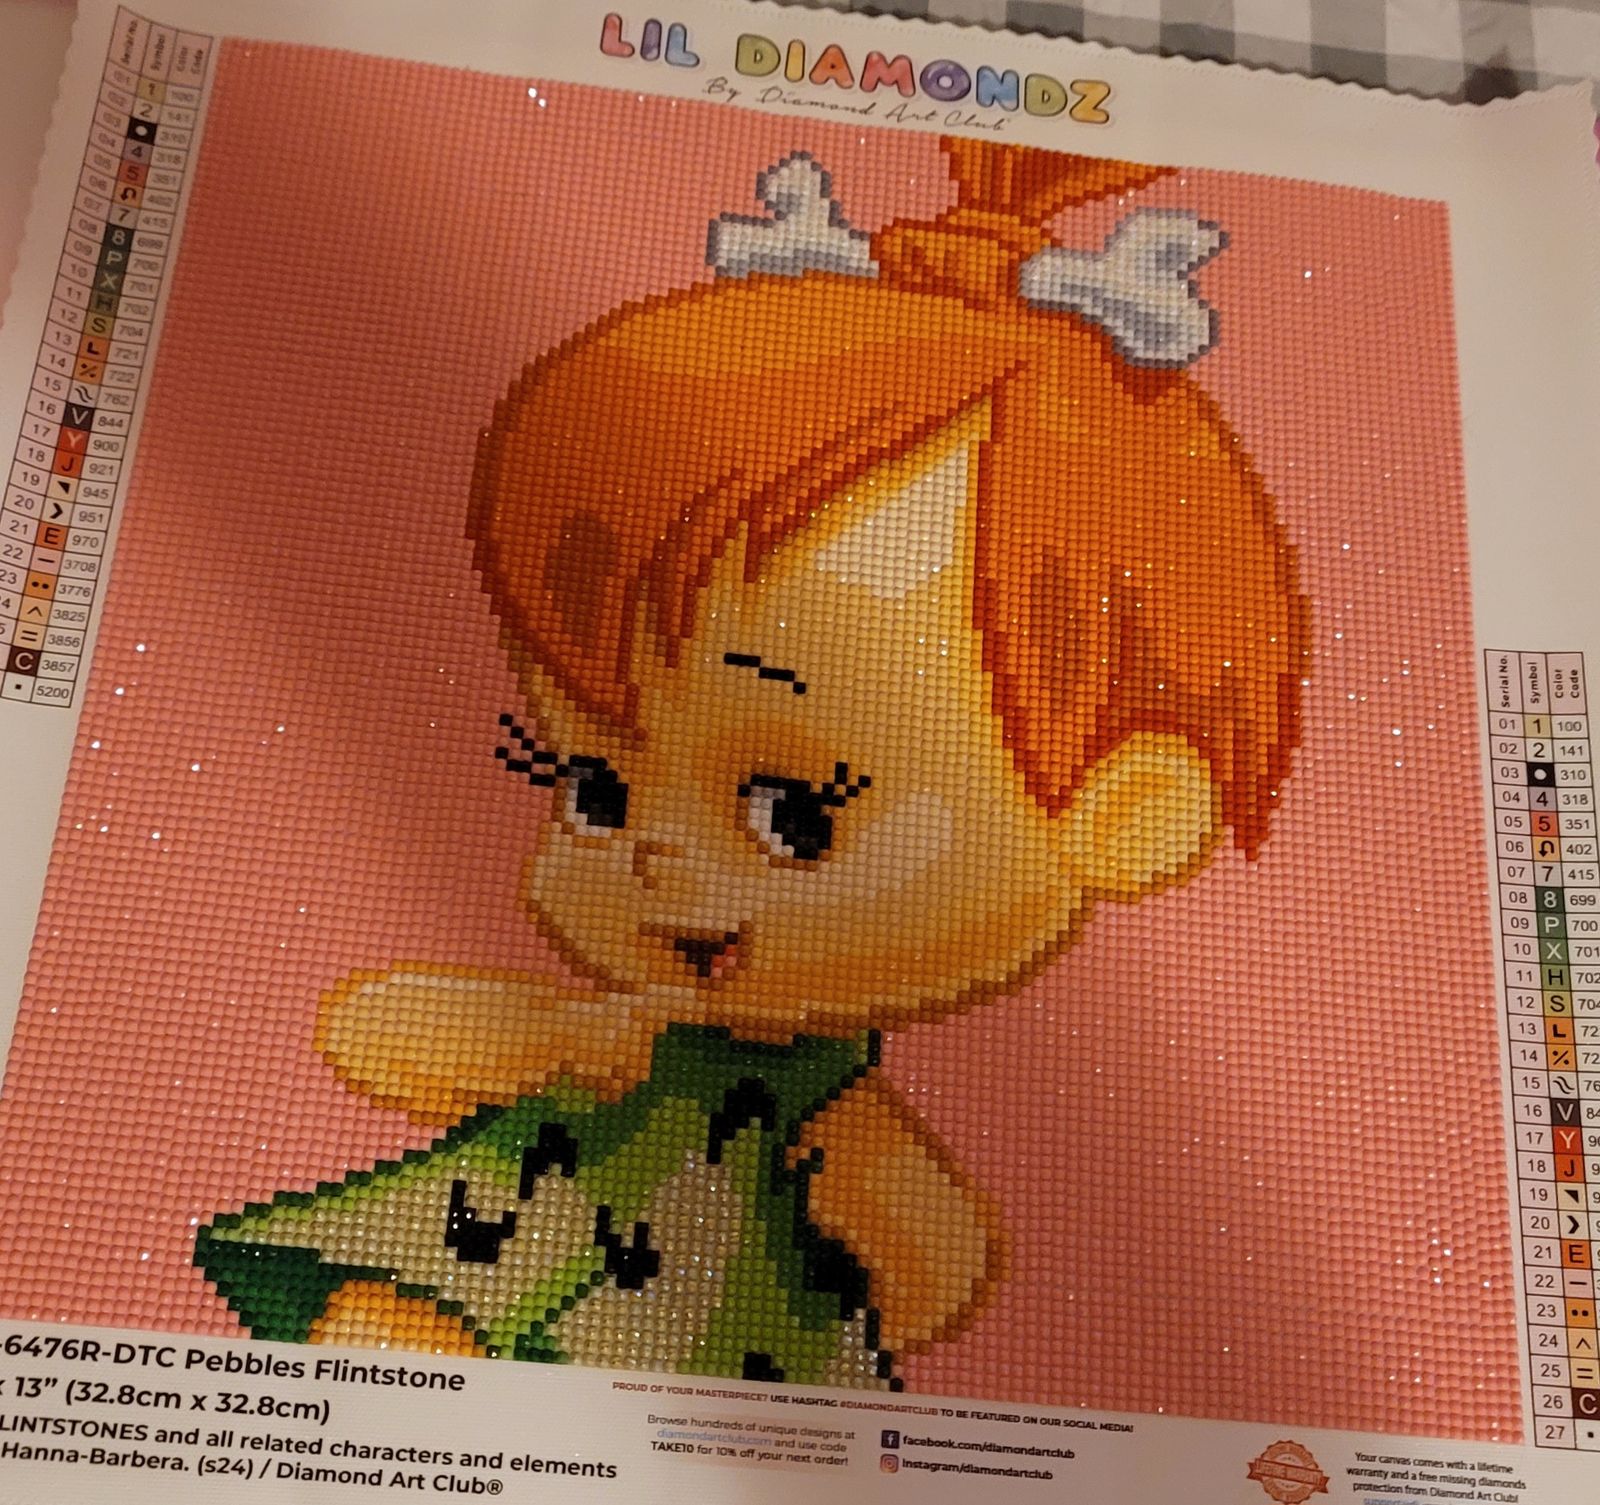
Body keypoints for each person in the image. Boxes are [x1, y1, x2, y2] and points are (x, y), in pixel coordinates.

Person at [197, 136, 1306, 1388]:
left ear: (1123, 813)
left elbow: (923, 1265)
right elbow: (386, 1030)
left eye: (788, 815)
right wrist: (565, 1037)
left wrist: (838, 1212)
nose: (651, 856)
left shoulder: (829, 1109)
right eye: (593, 790)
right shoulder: (610, 1037)